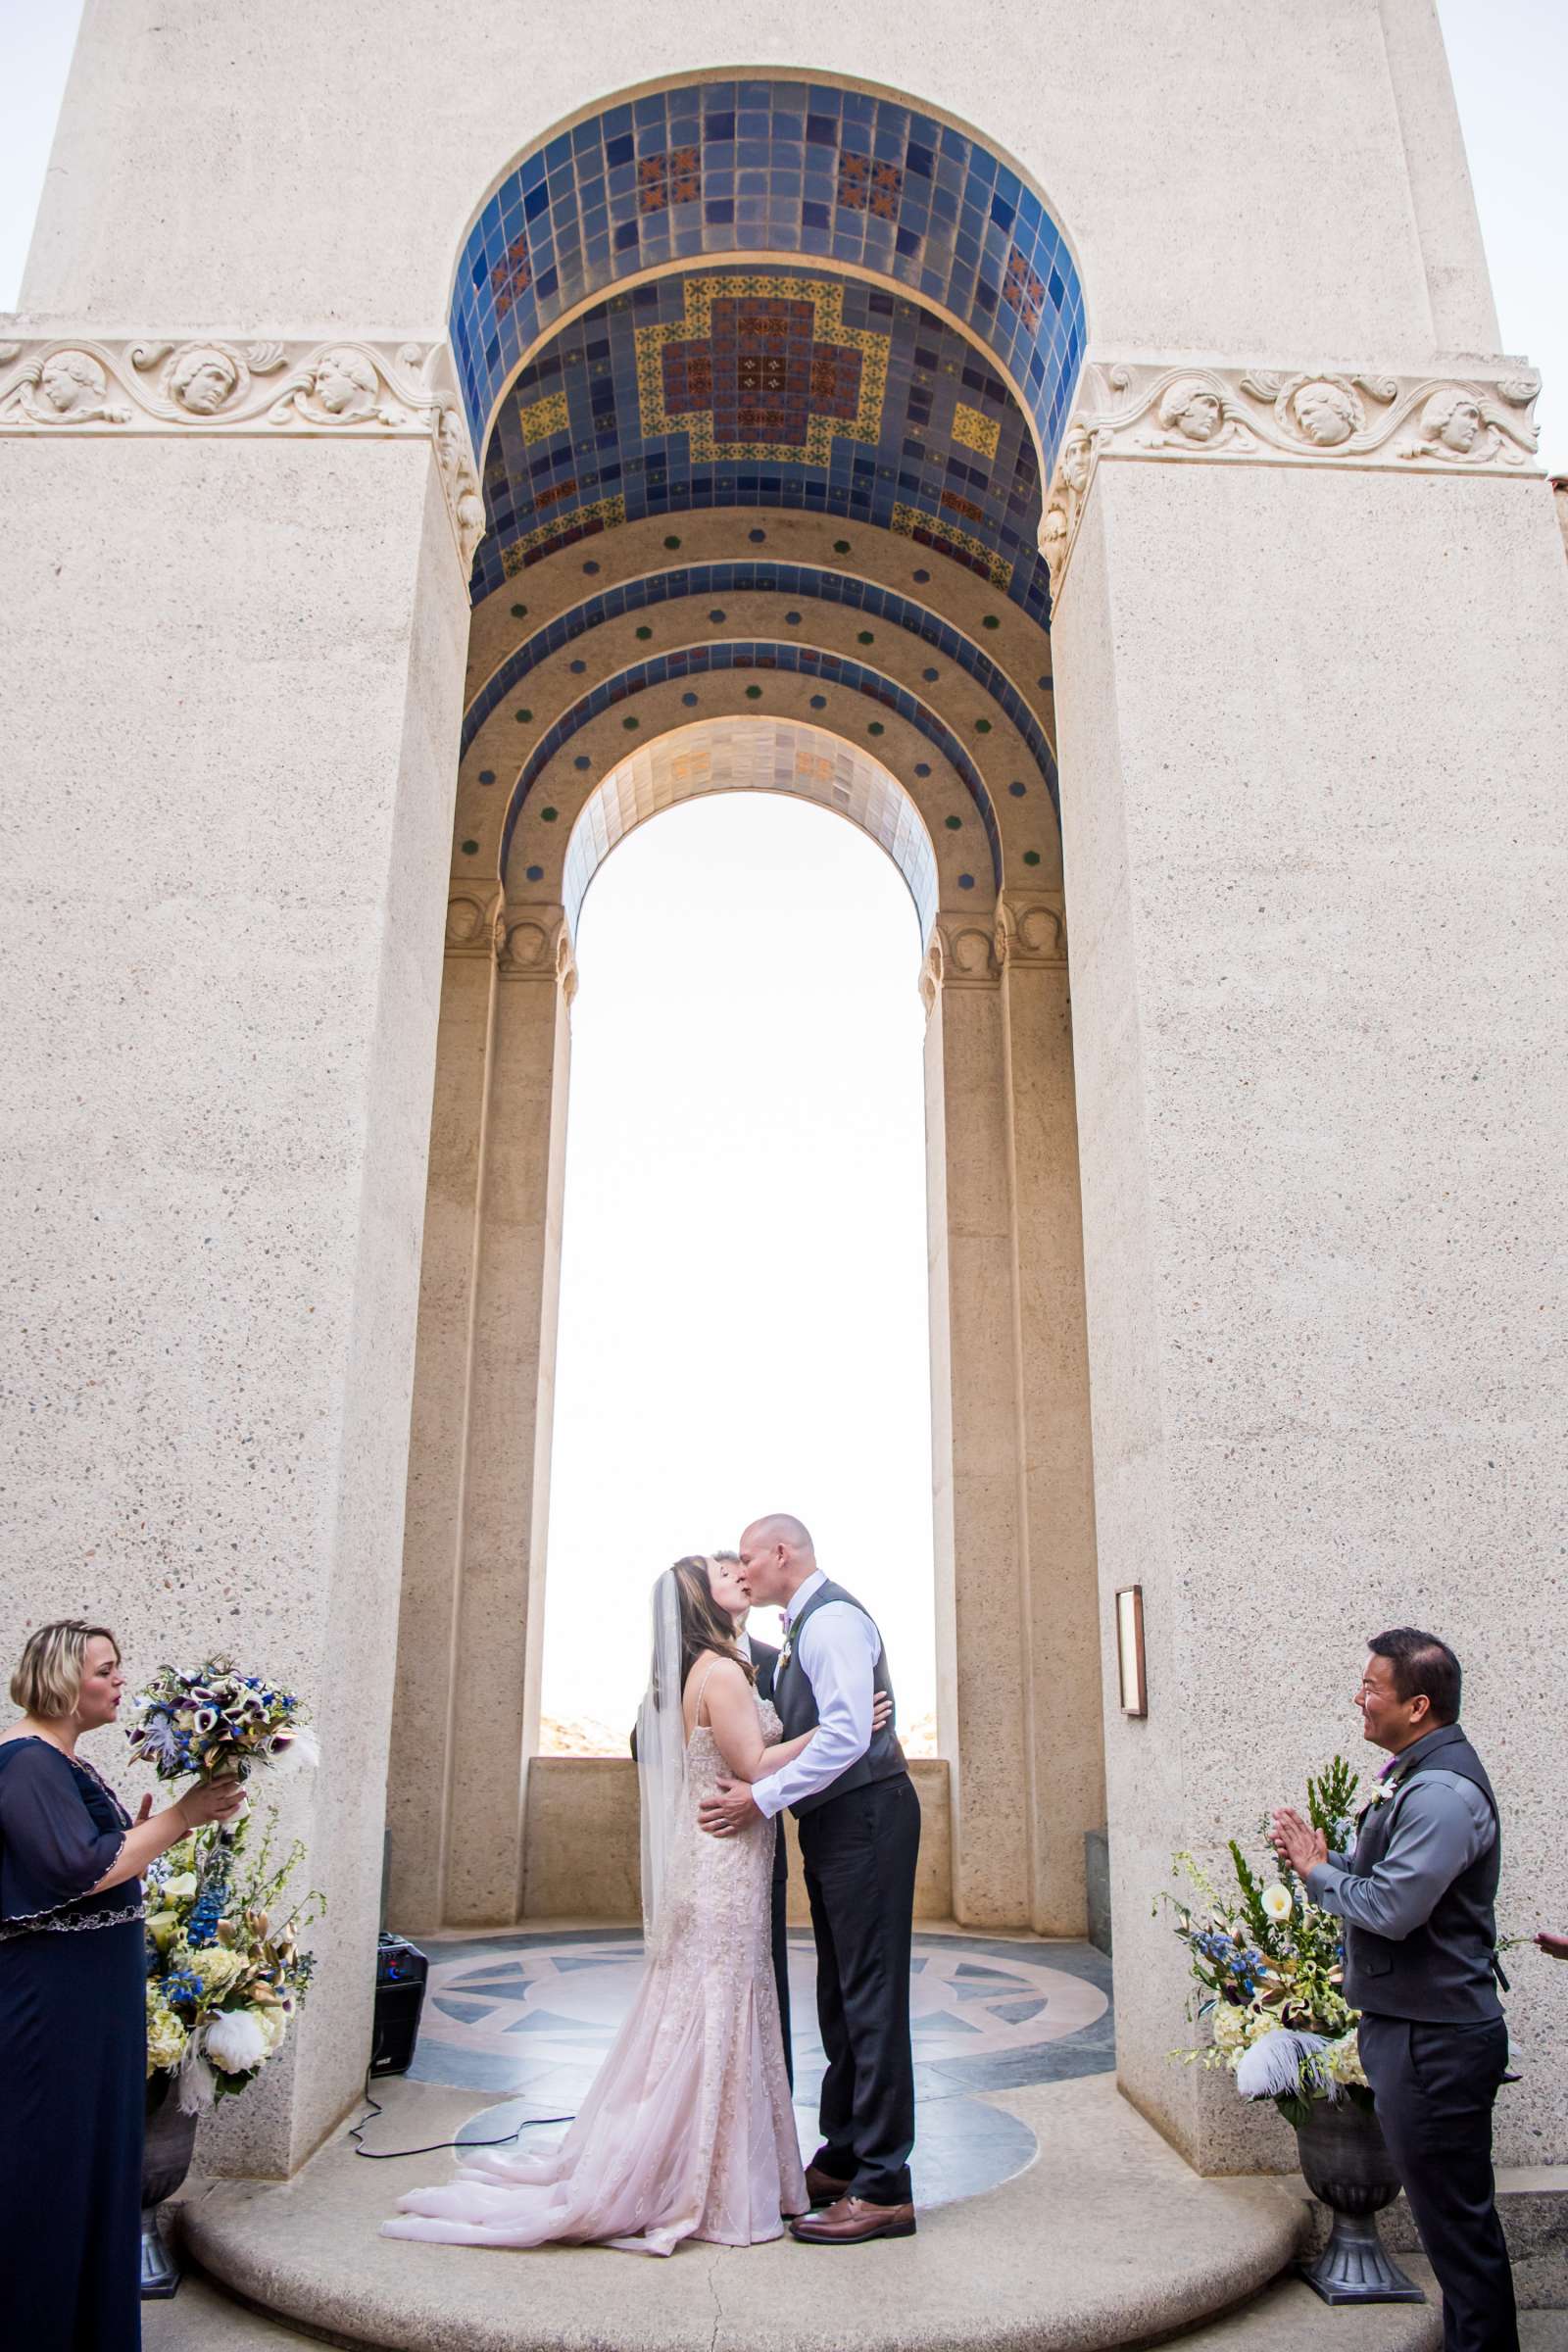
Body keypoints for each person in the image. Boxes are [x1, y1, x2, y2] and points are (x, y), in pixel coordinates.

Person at [385, 1553, 815, 2254]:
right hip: (725, 1864)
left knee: (710, 2008)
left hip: (716, 1858)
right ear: (698, 1598)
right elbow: (756, 1765)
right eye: (723, 1568)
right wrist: (837, 1733)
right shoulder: (726, 1672)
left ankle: (713, 2162)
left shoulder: (696, 1670)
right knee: (720, 2008)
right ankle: (701, 2179)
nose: (739, 1569)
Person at [0, 1619, 245, 2352]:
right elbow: (75, 1871)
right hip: (53, 2010)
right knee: (51, 2167)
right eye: (106, 1670)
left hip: (87, 2005)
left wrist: (141, 1836)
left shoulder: (63, 1765)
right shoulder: (26, 1763)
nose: (119, 1682)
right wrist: (178, 1817)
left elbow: (96, 1860)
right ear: (64, 1681)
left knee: (91, 2165)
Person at [1272, 1628, 1516, 2352]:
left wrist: (1320, 1873)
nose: (1359, 1696)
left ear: (1417, 1705)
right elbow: (1387, 1880)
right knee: (1454, 2226)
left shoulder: (1441, 1790)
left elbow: (1393, 1909)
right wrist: (1323, 1860)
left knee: (1458, 2234)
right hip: (1412, 2030)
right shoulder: (1415, 1772)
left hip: (1434, 2040)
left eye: (1372, 1686)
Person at [700, 1513, 920, 2246]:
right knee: (841, 1995)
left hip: (866, 1818)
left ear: (781, 1554)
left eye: (747, 1556)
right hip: (836, 1822)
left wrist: (759, 1798)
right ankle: (845, 2153)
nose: (741, 1566)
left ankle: (885, 2185)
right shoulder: (799, 1629)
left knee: (872, 1996)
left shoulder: (829, 1625)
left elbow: (848, 1734)